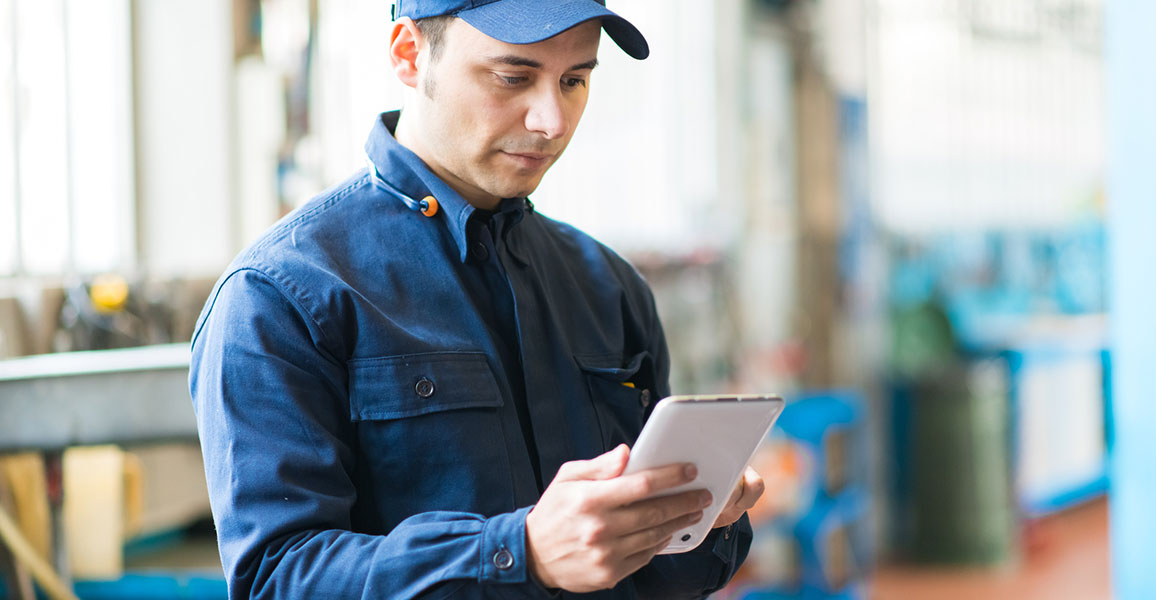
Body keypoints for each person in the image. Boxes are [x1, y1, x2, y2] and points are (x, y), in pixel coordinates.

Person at [189, 1, 764, 597]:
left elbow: (660, 579)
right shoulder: (281, 296)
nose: (552, 121)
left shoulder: (608, 286)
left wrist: (695, 521)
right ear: (410, 54)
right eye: (513, 77)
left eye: (574, 80)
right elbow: (277, 579)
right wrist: (521, 555)